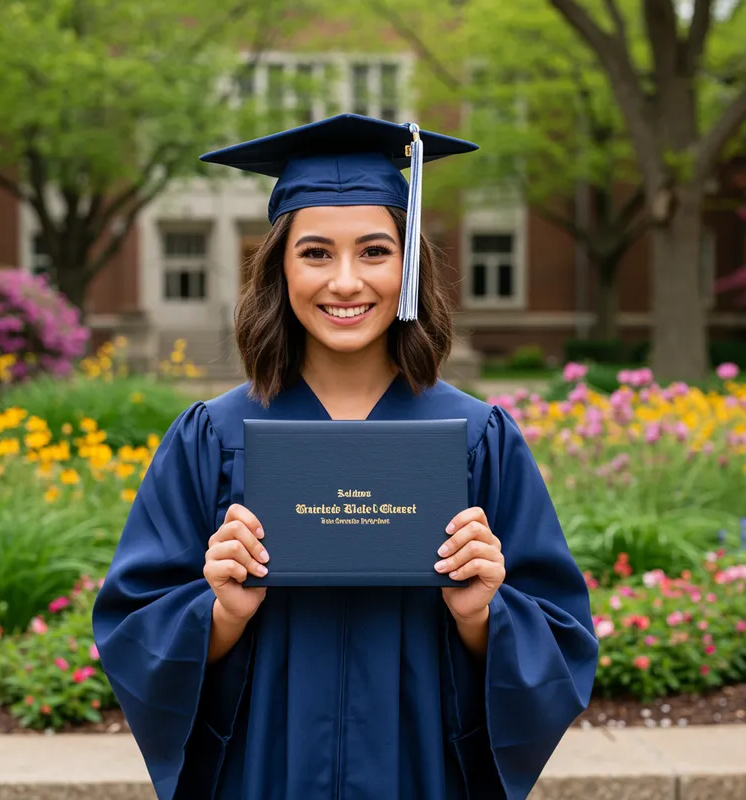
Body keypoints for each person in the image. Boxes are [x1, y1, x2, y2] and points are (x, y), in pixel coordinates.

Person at [92, 114, 599, 800]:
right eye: (316, 253)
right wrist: (219, 614)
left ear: (408, 264)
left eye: (374, 251)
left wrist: (484, 614)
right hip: (263, 775)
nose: (346, 281)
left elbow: (562, 641)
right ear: (279, 267)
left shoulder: (479, 438)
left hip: (422, 774)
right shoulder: (211, 436)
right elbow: (132, 630)